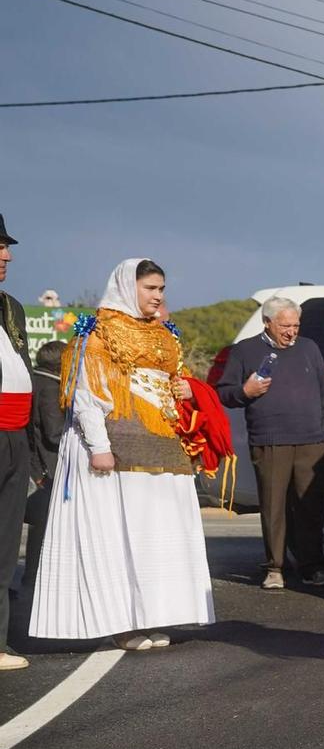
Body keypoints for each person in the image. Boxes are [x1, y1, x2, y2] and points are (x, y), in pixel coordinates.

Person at [30, 259, 215, 650]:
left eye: (161, 289)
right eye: (151, 288)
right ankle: (123, 622)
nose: (158, 296)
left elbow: (172, 382)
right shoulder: (97, 334)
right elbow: (86, 397)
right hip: (117, 449)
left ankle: (154, 614)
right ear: (128, 287)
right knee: (119, 537)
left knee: (156, 535)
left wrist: (186, 392)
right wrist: (99, 448)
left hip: (163, 445)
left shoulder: (164, 335)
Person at [215, 296, 324, 590]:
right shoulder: (245, 351)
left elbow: (323, 392)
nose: (291, 331)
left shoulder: (309, 348)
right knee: (273, 507)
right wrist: (246, 390)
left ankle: (312, 567)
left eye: (295, 325)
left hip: (311, 441)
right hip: (270, 441)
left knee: (310, 506)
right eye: (285, 325)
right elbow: (224, 392)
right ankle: (275, 568)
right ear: (267, 323)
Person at [0, 216, 30, 670]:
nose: (6, 254)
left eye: (6, 247)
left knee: (5, 544)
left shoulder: (12, 307)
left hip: (13, 435)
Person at [21, 338, 65, 599]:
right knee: (44, 524)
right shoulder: (50, 387)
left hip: (35, 465)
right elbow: (54, 433)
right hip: (48, 467)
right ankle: (35, 577)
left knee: (39, 524)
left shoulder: (35, 382)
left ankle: (31, 575)